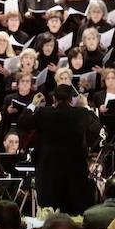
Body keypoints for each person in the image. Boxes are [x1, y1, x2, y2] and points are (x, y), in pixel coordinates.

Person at [18, 84, 100, 214]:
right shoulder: (81, 113)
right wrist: (85, 105)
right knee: (72, 212)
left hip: (48, 172)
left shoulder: (44, 113)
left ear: (54, 98)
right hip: (74, 174)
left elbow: (23, 123)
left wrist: (33, 104)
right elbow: (97, 128)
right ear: (71, 99)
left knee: (49, 212)